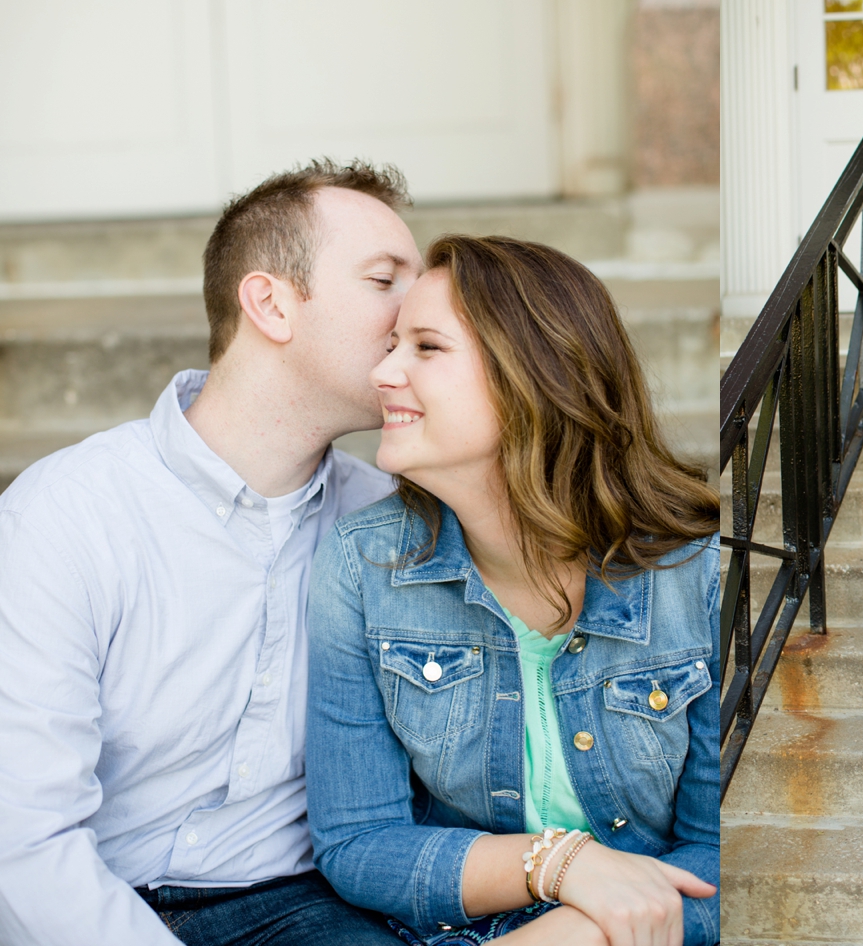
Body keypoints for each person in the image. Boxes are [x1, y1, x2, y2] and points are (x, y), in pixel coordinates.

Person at [0, 161, 427, 944]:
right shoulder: (65, 514)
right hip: (92, 903)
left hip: (305, 906)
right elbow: (22, 842)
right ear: (269, 303)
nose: (421, 310)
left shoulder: (387, 522)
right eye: (383, 280)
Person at [304, 235, 720, 946]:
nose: (384, 372)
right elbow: (359, 842)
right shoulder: (364, 563)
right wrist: (559, 865)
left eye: (426, 348)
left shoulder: (699, 573)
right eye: (392, 344)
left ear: (535, 375)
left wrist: (579, 933)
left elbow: (721, 856)